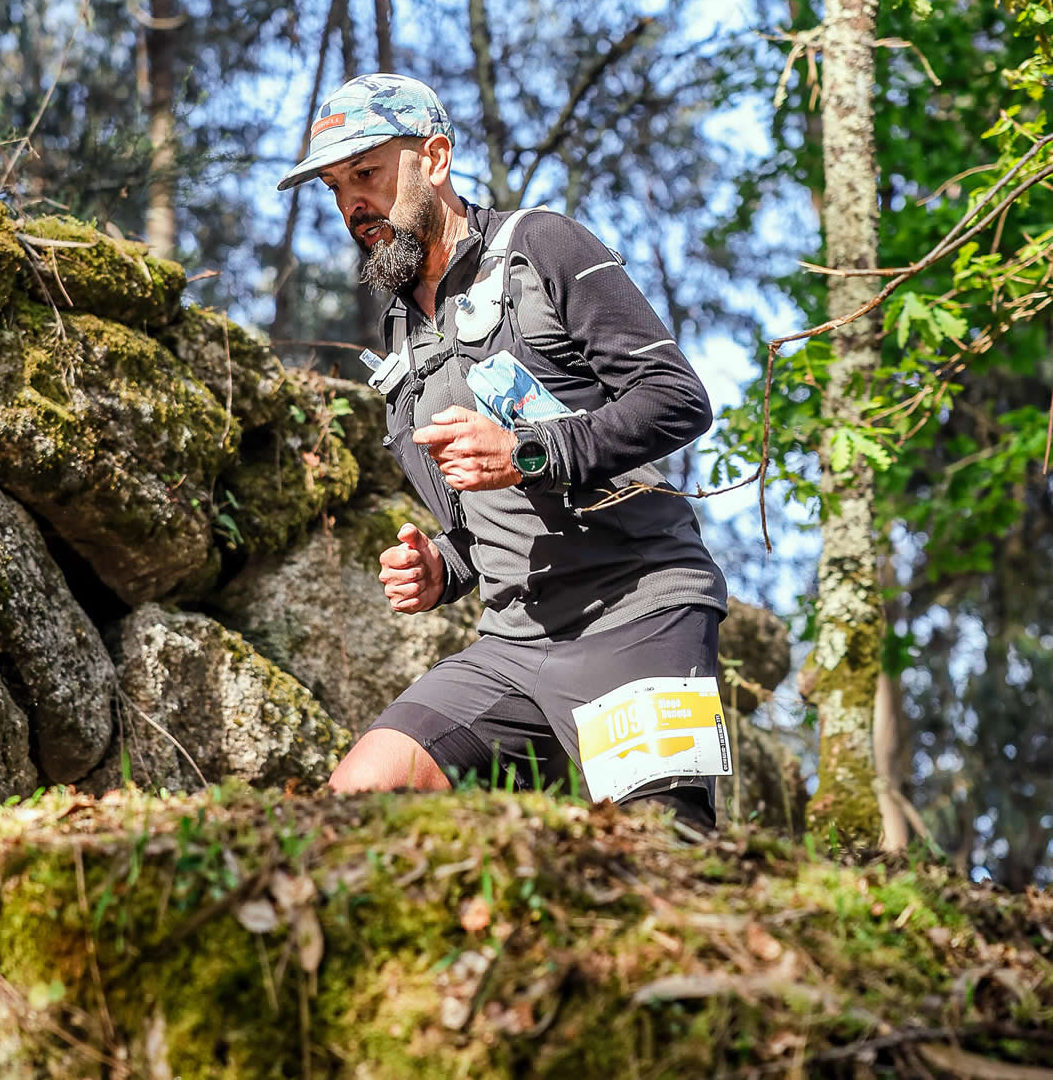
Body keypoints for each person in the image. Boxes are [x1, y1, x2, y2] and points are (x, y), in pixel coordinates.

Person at [277, 73, 728, 827]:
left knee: (661, 858)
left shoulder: (541, 246)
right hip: (513, 645)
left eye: (367, 173)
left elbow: (677, 398)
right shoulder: (401, 336)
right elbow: (485, 520)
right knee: (354, 806)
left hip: (638, 613)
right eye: (336, 189)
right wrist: (443, 566)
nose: (353, 205)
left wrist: (530, 451)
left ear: (435, 158)